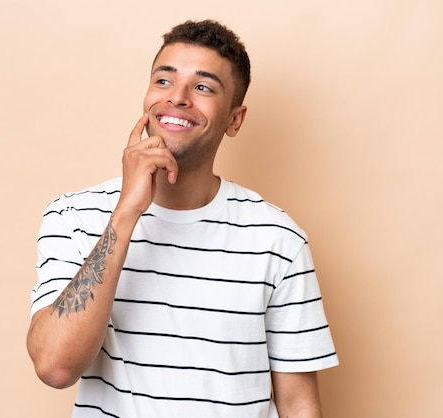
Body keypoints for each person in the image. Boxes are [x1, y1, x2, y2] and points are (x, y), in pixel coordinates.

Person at [27, 19, 338, 418]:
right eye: (163, 81)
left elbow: (298, 403)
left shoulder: (278, 238)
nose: (178, 98)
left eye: (203, 87)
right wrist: (126, 213)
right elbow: (55, 367)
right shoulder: (73, 215)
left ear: (234, 120)